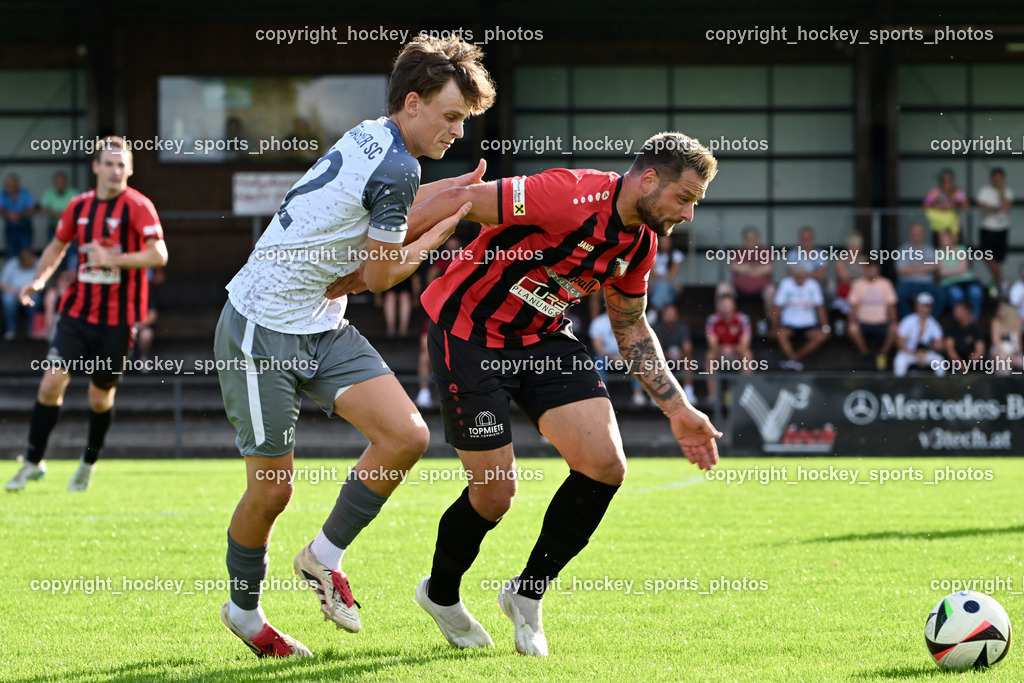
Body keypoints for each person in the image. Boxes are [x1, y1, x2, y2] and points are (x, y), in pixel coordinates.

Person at [213, 35, 495, 659]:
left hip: (318, 320)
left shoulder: (378, 136)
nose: (457, 130)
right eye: (451, 117)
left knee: (406, 435)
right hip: (261, 329)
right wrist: (443, 231)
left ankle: (322, 557)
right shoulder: (397, 165)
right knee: (272, 491)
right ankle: (244, 610)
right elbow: (383, 274)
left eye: (464, 120)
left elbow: (387, 208)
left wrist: (447, 195)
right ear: (414, 103)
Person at [394, 131, 720, 657]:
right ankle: (441, 595)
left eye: (695, 203)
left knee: (605, 466)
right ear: (650, 179)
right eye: (684, 198)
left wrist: (678, 408)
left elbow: (631, 327)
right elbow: (460, 200)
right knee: (495, 495)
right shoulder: (567, 193)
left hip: (543, 338)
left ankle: (526, 594)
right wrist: (376, 250)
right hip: (468, 335)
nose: (687, 213)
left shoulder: (641, 242)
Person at [4, 137, 167, 492]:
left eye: (121, 165)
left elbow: (159, 255)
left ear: (130, 169)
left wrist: (114, 259)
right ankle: (32, 461)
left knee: (99, 397)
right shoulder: (79, 207)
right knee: (50, 383)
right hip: (77, 313)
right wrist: (38, 281)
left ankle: (87, 462)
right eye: (108, 164)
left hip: (118, 320)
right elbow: (56, 246)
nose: (115, 171)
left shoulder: (139, 207)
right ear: (95, 167)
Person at [415, 235, 462, 408]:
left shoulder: (465, 261)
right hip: (435, 316)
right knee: (424, 354)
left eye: (455, 244)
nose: (452, 247)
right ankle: (424, 392)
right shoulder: (440, 263)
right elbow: (430, 278)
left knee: (457, 355)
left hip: (457, 319)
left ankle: (456, 392)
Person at [771, 265, 831, 371]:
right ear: (793, 276)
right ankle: (794, 359)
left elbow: (820, 308)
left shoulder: (813, 285)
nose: (800, 279)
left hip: (809, 325)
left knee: (822, 335)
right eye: (798, 277)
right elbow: (777, 307)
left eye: (802, 277)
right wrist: (774, 326)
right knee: (780, 334)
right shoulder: (786, 284)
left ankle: (794, 359)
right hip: (789, 324)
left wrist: (825, 326)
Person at [589, 305, 647, 407]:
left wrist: (626, 356)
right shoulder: (599, 322)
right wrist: (611, 356)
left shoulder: (631, 321)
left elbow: (636, 344)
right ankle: (602, 395)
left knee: (639, 358)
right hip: (607, 356)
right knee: (598, 360)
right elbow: (597, 347)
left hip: (626, 354)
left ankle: (638, 394)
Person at [846, 259, 898, 369]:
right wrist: (851, 321)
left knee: (895, 328)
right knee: (852, 327)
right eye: (868, 269)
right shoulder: (857, 284)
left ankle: (883, 354)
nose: (871, 271)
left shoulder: (885, 283)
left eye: (873, 269)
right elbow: (853, 306)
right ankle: (866, 354)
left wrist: (894, 321)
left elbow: (891, 305)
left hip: (882, 322)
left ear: (878, 270)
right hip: (863, 322)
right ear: (864, 270)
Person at [704, 291, 752, 403]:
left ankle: (746, 394)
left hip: (736, 354)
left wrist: (732, 348)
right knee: (710, 356)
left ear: (734, 306)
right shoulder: (712, 320)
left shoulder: (743, 319)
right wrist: (722, 349)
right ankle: (713, 396)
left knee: (747, 354)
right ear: (719, 307)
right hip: (719, 354)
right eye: (723, 306)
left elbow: (745, 344)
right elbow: (712, 343)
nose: (726, 309)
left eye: (728, 306)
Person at [727, 226, 774, 333]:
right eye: (748, 239)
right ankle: (725, 325)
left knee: (771, 291)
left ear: (757, 239)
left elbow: (768, 269)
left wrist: (745, 268)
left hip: (761, 290)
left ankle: (771, 325)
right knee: (723, 288)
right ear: (744, 240)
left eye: (753, 239)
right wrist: (756, 268)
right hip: (739, 290)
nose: (751, 242)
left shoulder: (764, 250)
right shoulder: (738, 251)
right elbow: (734, 267)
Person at [976, 168, 1014, 297]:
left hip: (1002, 229)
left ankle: (997, 286)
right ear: (991, 179)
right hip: (987, 228)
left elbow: (1007, 206)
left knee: (998, 260)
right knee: (987, 256)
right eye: (995, 178)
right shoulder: (985, 190)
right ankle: (1002, 281)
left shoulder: (1007, 191)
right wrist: (995, 208)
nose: (997, 181)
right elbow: (980, 205)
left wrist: (1000, 192)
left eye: (1000, 178)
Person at [895, 222, 943, 318]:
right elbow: (901, 269)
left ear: (923, 234)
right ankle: (909, 322)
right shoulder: (903, 249)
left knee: (941, 295)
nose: (916, 235)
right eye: (914, 233)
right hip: (907, 283)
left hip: (927, 283)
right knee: (897, 295)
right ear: (910, 234)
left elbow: (935, 266)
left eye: (919, 233)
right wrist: (924, 266)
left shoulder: (929, 249)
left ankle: (930, 321)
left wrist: (912, 267)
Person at [652, 303, 695, 405]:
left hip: (680, 358)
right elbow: (655, 348)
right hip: (663, 359)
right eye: (668, 314)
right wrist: (667, 355)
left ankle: (689, 393)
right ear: (663, 315)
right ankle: (657, 394)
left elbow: (687, 347)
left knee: (688, 359)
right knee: (654, 359)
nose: (670, 316)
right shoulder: (657, 328)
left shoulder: (683, 328)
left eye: (672, 314)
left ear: (677, 315)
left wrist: (681, 355)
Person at [893, 293, 945, 377]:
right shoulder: (907, 321)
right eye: (924, 306)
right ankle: (900, 387)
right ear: (917, 306)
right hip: (909, 352)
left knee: (939, 361)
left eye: (928, 306)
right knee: (900, 360)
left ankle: (940, 387)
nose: (926, 309)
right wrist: (913, 352)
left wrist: (930, 348)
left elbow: (940, 345)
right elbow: (899, 342)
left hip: (926, 353)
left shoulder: (934, 323)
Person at [936, 230, 984, 320]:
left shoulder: (961, 249)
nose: (942, 240)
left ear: (952, 239)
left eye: (944, 238)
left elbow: (963, 267)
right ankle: (959, 320)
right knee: (956, 294)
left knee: (976, 292)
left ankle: (973, 319)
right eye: (940, 239)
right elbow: (942, 272)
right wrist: (958, 270)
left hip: (967, 281)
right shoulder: (938, 252)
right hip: (949, 284)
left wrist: (949, 271)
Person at [39, 171, 80, 272]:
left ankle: (68, 281)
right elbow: (42, 209)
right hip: (54, 229)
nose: (60, 185)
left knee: (70, 256)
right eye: (58, 183)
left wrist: (64, 215)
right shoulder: (49, 193)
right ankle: (55, 281)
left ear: (66, 182)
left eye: (62, 182)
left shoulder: (73, 193)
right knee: (53, 256)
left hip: (70, 231)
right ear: (54, 183)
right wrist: (55, 213)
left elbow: (80, 211)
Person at [1, 248, 41, 339]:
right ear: (21, 260)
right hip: (13, 292)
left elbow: (42, 284)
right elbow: (2, 284)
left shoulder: (38, 264)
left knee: (35, 298)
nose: (31, 262)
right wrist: (18, 292)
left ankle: (32, 329)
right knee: (8, 300)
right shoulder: (11, 264)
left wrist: (26, 292)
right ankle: (11, 330)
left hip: (30, 292)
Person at [923, 168, 969, 244]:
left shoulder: (957, 192)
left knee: (958, 249)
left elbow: (967, 206)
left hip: (954, 226)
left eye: (949, 179)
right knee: (938, 250)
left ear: (952, 180)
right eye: (944, 179)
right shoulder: (935, 192)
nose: (947, 181)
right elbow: (925, 206)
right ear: (941, 180)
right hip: (938, 226)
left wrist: (954, 206)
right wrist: (939, 206)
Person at [1, 173, 37, 257]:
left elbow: (31, 209)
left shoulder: (25, 193)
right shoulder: (3, 194)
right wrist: (8, 214)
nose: (9, 187)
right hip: (10, 229)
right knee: (11, 255)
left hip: (24, 228)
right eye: (7, 185)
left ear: (17, 184)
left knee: (25, 254)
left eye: (11, 184)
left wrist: (19, 215)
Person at [943, 300, 986, 371]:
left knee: (983, 362)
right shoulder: (951, 326)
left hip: (971, 359)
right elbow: (949, 347)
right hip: (956, 358)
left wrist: (973, 359)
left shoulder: (977, 328)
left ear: (967, 312)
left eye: (958, 311)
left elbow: (980, 349)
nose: (955, 314)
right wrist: (959, 363)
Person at [648, 233, 683, 310]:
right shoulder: (653, 254)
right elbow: (654, 276)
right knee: (661, 286)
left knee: (663, 286)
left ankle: (655, 309)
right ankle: (666, 311)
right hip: (655, 285)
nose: (664, 244)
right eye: (662, 242)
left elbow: (671, 276)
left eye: (666, 242)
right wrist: (662, 278)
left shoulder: (677, 255)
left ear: (671, 242)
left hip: (671, 286)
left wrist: (661, 278)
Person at [990, 299, 1023, 376]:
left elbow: (1019, 344)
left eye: (1003, 308)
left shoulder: (1017, 322)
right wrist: (1007, 356)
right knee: (1002, 361)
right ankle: (1005, 386)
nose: (1000, 310)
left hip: (1013, 353)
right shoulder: (996, 322)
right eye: (1000, 308)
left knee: (1021, 362)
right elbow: (996, 342)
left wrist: (1016, 355)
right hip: (1000, 352)